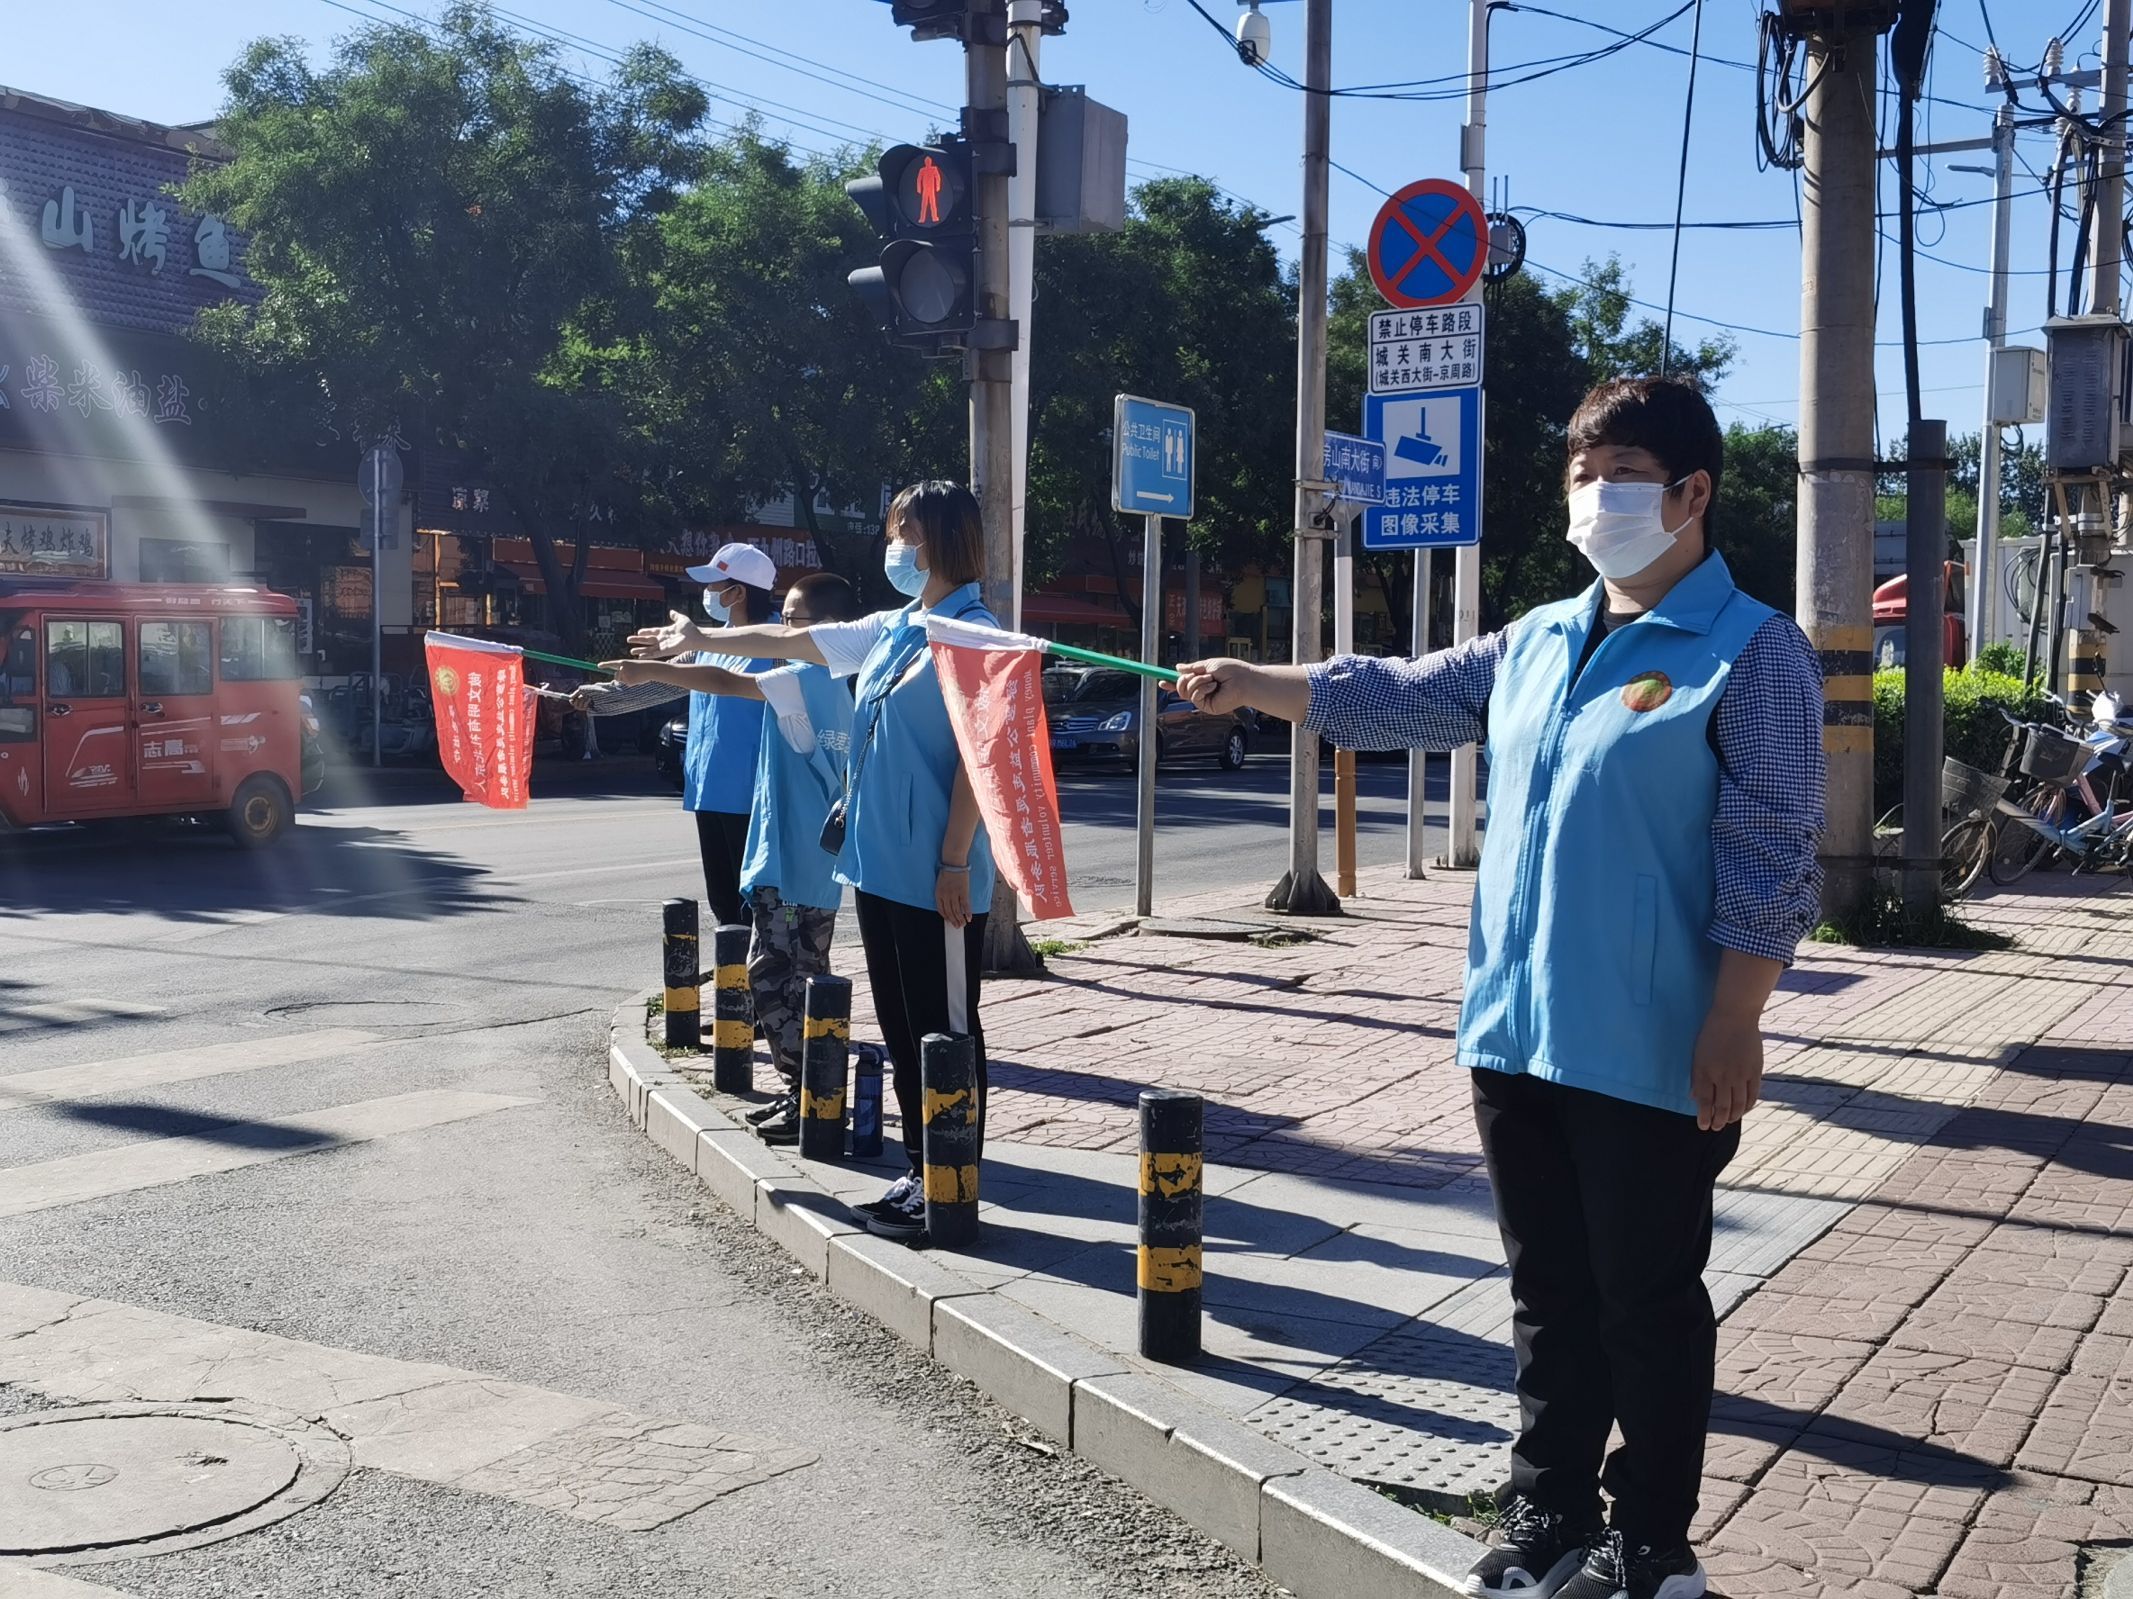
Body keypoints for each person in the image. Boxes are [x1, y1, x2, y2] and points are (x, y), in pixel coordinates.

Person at [1178, 377, 1825, 1599]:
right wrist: (1254, 680)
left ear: (1692, 493)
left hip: (1653, 1047)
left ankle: (1652, 1541)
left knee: (1646, 1302)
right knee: (1547, 1298)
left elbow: (1775, 850)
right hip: (1516, 1038)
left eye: (1621, 475)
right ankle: (1549, 1514)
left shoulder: (1752, 651)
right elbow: (1400, 693)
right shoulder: (1535, 640)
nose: (1593, 497)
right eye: (1581, 474)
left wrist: (1737, 1019)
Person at [629, 480, 995, 1242]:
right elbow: (786, 643)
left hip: (937, 876)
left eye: (902, 533)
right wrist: (699, 637)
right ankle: (921, 1173)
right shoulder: (895, 628)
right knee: (902, 1027)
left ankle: (953, 1183)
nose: (893, 546)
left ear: (935, 539)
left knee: (945, 1029)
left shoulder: (973, 633)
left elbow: (977, 754)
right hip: (878, 867)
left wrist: (954, 859)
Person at [591, 573, 860, 1142]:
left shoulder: (804, 678)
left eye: (791, 621)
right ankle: (807, 1097)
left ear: (826, 630)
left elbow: (722, 680)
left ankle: (813, 1100)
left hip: (793, 868)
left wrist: (653, 671)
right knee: (792, 979)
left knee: (779, 981)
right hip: (802, 867)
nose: (781, 630)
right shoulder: (834, 685)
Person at [632, 544, 780, 928]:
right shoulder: (707, 643)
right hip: (709, 789)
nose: (708, 593)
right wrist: (591, 698)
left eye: (715, 584)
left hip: (755, 796)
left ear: (739, 592)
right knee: (723, 901)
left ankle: (760, 967)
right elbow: (658, 682)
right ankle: (732, 966)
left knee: (757, 904)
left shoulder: (779, 642)